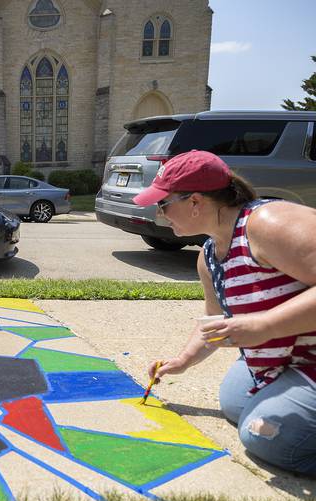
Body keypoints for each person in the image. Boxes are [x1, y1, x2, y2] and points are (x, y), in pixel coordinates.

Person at [134, 150, 316, 474]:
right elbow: (215, 321)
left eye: (163, 204)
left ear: (195, 202)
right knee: (235, 403)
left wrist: (266, 325)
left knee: (265, 436)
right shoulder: (209, 255)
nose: (160, 213)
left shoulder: (267, 224)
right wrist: (183, 361)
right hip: (289, 359)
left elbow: (262, 325)